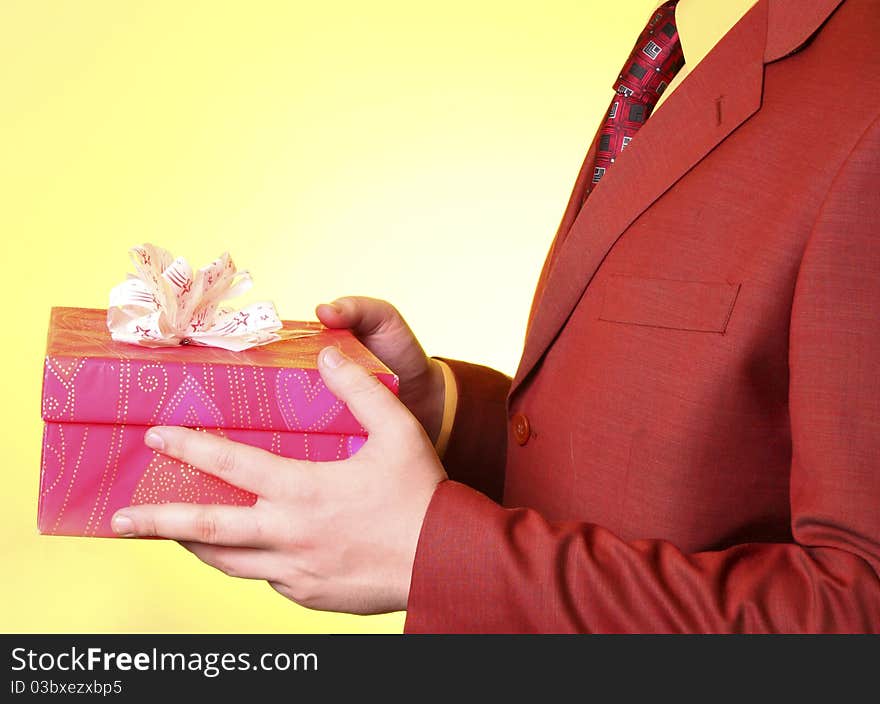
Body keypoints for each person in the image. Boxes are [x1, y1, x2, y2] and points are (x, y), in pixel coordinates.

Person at [110, 0, 880, 632]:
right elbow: (687, 456)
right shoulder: (684, 40)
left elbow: (859, 612)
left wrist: (433, 553)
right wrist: (445, 414)